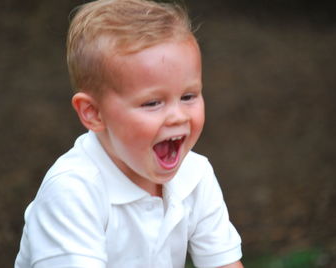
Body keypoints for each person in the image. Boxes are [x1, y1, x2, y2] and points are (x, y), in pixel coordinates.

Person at [15, 0, 243, 267]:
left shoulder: (195, 175)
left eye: (188, 96)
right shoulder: (73, 191)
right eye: (152, 103)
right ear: (93, 113)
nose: (179, 116)